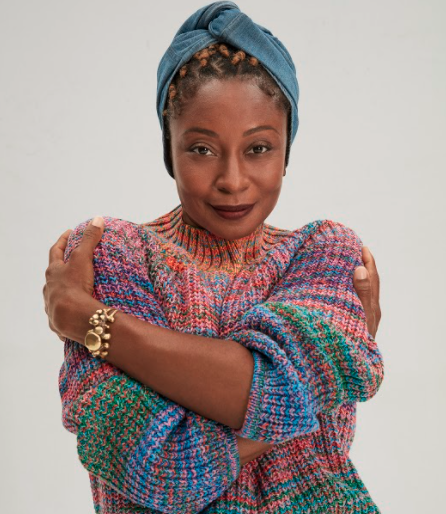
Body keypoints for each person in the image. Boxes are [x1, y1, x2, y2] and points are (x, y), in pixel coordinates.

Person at [43, 2, 384, 513]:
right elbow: (160, 467)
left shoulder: (325, 253)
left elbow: (269, 395)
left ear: (286, 150)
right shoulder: (112, 254)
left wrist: (92, 322)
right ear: (170, 148)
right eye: (201, 149)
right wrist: (319, 383)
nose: (232, 180)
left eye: (258, 148)